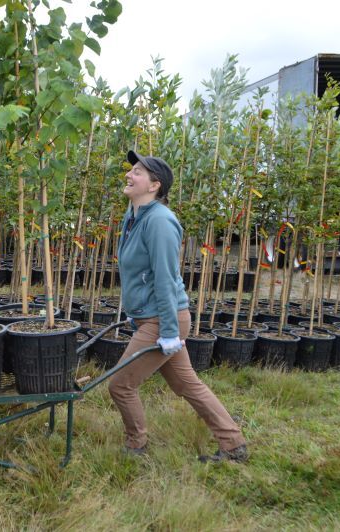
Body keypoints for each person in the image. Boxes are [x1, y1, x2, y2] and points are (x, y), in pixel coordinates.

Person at [108, 150, 248, 463]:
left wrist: (169, 331)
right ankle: (233, 443)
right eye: (131, 170)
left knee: (120, 385)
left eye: (138, 172)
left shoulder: (159, 222)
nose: (129, 175)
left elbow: (165, 278)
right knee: (186, 384)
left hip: (162, 320)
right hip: (150, 317)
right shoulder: (133, 217)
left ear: (154, 185)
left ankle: (135, 446)